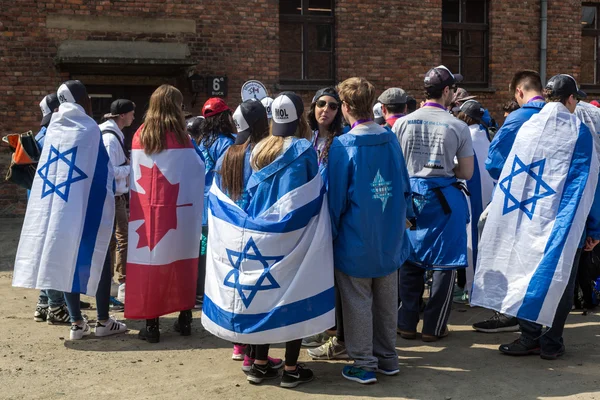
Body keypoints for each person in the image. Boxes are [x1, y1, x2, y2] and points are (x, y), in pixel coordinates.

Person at [471, 74, 600, 360]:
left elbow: (502, 166)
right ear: (569, 99)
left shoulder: (528, 127)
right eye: (575, 99)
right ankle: (551, 341)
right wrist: (595, 227)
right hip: (566, 223)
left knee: (525, 271)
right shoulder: (579, 133)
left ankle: (529, 336)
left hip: (527, 216)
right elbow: (590, 184)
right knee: (560, 278)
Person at [205, 92, 322, 388]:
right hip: (293, 233)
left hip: (260, 233)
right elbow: (312, 192)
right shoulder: (303, 148)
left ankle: (258, 364)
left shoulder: (260, 149)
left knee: (264, 298)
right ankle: (292, 369)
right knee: (293, 294)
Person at [14, 80, 127, 340]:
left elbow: (50, 170)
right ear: (81, 98)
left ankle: (76, 323)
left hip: (56, 207)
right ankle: (103, 321)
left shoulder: (53, 128)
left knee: (66, 258)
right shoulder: (89, 128)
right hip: (85, 205)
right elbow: (102, 170)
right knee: (100, 255)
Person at [328, 77, 411, 384]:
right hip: (389, 236)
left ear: (346, 107)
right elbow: (403, 185)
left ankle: (364, 362)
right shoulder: (390, 138)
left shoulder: (343, 145)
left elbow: (336, 198)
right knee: (387, 300)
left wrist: (332, 233)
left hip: (355, 237)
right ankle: (388, 358)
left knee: (358, 300)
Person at [393, 65, 474, 343]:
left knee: (409, 258)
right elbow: (466, 173)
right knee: (445, 262)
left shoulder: (402, 123)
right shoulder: (458, 125)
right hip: (443, 198)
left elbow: (395, 165)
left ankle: (405, 322)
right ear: (447, 91)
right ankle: (434, 327)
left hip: (410, 196)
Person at [126, 84, 204, 343]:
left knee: (152, 265)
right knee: (181, 263)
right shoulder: (184, 138)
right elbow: (198, 169)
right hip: (180, 216)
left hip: (148, 216)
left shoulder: (140, 135)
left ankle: (152, 325)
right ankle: (184, 320)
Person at [214, 99, 285, 374]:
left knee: (240, 291)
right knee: (258, 295)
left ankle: (240, 346)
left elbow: (217, 195)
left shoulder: (228, 154)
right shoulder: (265, 152)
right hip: (259, 231)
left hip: (232, 232)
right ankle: (254, 357)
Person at [473, 70, 546, 333]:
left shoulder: (517, 118)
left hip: (513, 202)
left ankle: (506, 314)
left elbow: (494, 163)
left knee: (502, 253)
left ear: (518, 92)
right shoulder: (559, 118)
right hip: (546, 203)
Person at [302, 87, 348, 359]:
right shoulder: (308, 138)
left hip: (332, 216)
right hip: (310, 215)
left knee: (331, 276)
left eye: (332, 106)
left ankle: (332, 331)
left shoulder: (341, 141)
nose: (326, 110)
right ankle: (319, 325)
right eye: (321, 104)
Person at [31, 93, 72, 325]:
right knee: (54, 252)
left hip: (39, 201)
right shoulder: (54, 137)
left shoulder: (40, 136)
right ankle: (56, 306)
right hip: (51, 201)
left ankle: (44, 303)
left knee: (46, 250)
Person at [453, 100, 495, 303]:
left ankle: (473, 290)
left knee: (472, 240)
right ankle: (480, 289)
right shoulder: (485, 135)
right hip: (488, 195)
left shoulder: (465, 135)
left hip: (471, 194)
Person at [197, 98, 235, 316]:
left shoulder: (201, 141)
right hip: (220, 204)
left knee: (203, 250)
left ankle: (200, 292)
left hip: (200, 204)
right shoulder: (228, 143)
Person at [99, 99, 135, 303]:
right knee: (123, 238)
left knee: (113, 240)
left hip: (113, 196)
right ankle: (122, 283)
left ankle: (113, 283)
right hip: (114, 197)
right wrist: (131, 167)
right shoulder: (110, 139)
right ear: (122, 115)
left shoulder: (109, 134)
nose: (133, 117)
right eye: (131, 113)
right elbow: (110, 171)